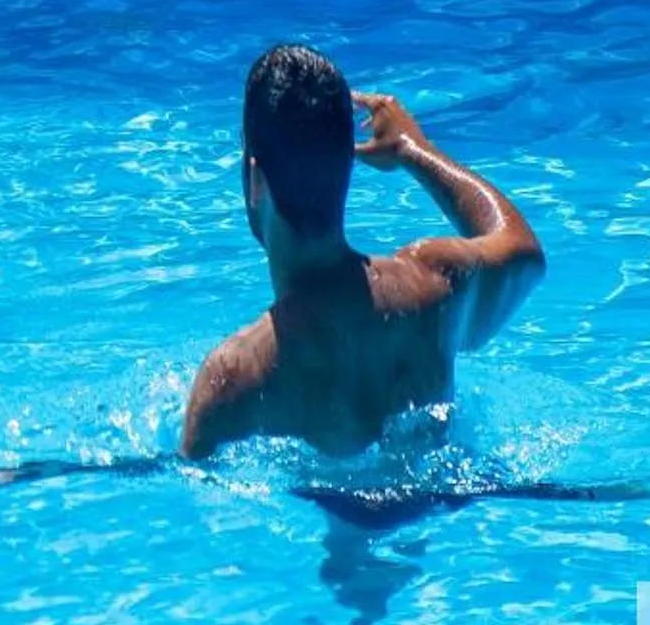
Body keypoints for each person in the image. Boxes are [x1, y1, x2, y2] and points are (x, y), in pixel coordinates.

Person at [179, 44, 546, 459]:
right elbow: (524, 253)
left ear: (255, 178)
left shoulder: (237, 377)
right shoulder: (435, 288)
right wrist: (414, 149)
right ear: (348, 164)